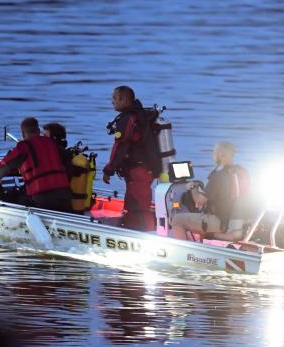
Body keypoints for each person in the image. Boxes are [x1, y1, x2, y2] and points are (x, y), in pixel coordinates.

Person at [0, 117, 73, 212]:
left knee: (11, 197)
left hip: (42, 200)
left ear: (23, 134)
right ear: (38, 130)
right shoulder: (52, 143)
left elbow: (1, 169)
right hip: (65, 197)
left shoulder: (23, 147)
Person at [102, 85, 157, 232]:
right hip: (145, 169)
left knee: (137, 207)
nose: (112, 102)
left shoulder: (129, 118)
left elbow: (120, 146)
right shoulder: (140, 116)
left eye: (115, 98)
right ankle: (137, 232)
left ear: (124, 99)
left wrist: (109, 169)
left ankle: (141, 237)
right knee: (137, 204)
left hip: (138, 170)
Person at [170, 141, 250, 241]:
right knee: (196, 216)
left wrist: (192, 187)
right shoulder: (239, 172)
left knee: (177, 219)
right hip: (234, 220)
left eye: (214, 152)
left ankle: (182, 251)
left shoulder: (218, 176)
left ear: (220, 154)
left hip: (220, 221)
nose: (213, 155)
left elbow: (199, 201)